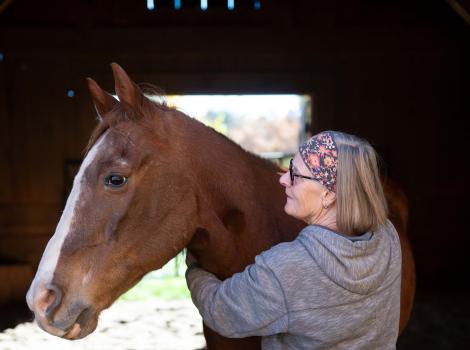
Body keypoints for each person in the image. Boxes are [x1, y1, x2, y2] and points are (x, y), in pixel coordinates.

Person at [185, 131, 402, 349]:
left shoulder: (286, 268)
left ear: (328, 194)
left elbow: (220, 311)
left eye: (295, 175)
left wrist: (195, 266)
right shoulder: (388, 237)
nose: (283, 179)